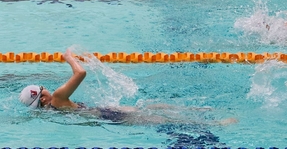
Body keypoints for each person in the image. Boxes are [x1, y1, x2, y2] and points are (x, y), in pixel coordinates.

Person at [19, 49, 236, 125]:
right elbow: (81, 73)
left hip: (105, 115)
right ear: (43, 99)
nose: (46, 88)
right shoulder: (57, 98)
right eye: (42, 89)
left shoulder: (53, 111)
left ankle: (203, 114)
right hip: (109, 115)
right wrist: (69, 58)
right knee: (158, 116)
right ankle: (215, 122)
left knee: (155, 107)